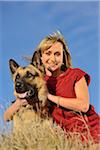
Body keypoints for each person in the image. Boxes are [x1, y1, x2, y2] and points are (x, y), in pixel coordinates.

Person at [4, 31, 100, 143]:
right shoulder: (40, 82)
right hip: (65, 136)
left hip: (89, 129)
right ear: (41, 58)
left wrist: (49, 96)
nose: (53, 58)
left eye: (57, 54)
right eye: (48, 53)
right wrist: (19, 102)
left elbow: (83, 106)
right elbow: (6, 117)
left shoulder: (75, 75)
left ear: (64, 57)